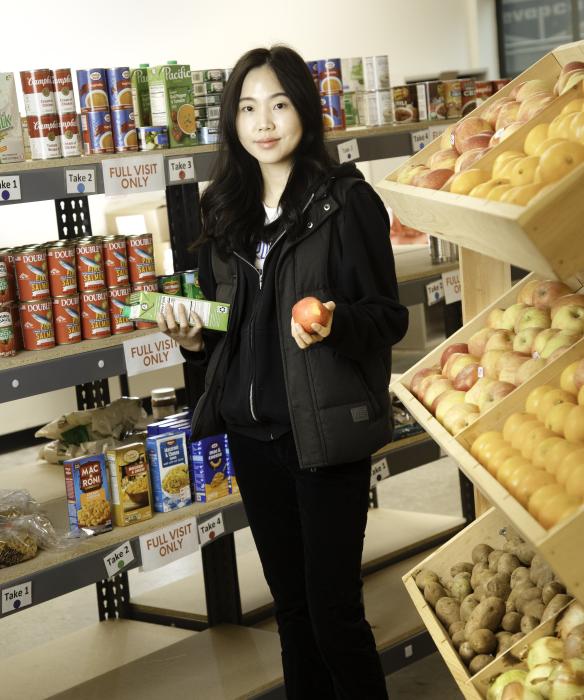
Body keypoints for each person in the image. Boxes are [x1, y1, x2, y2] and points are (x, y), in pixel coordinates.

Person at [158, 45, 408, 700]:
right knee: (291, 616)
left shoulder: (346, 203)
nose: (263, 122)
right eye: (246, 107)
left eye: (278, 103)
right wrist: (193, 343)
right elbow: (233, 334)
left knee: (333, 617)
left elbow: (387, 319)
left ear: (304, 110)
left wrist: (332, 320)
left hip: (323, 438)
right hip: (254, 437)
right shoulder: (226, 211)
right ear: (231, 122)